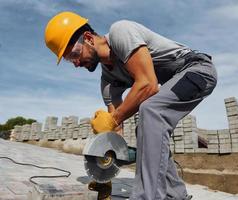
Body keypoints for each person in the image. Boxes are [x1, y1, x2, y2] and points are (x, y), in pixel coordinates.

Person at [44, 11, 217, 200]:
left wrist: (113, 119)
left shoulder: (121, 32)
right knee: (147, 127)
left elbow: (148, 84)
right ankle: (175, 194)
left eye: (74, 54)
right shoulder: (108, 83)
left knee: (151, 110)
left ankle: (146, 197)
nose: (76, 63)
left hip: (198, 70)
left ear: (88, 38)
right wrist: (104, 168)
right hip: (178, 80)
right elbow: (114, 132)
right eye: (70, 61)